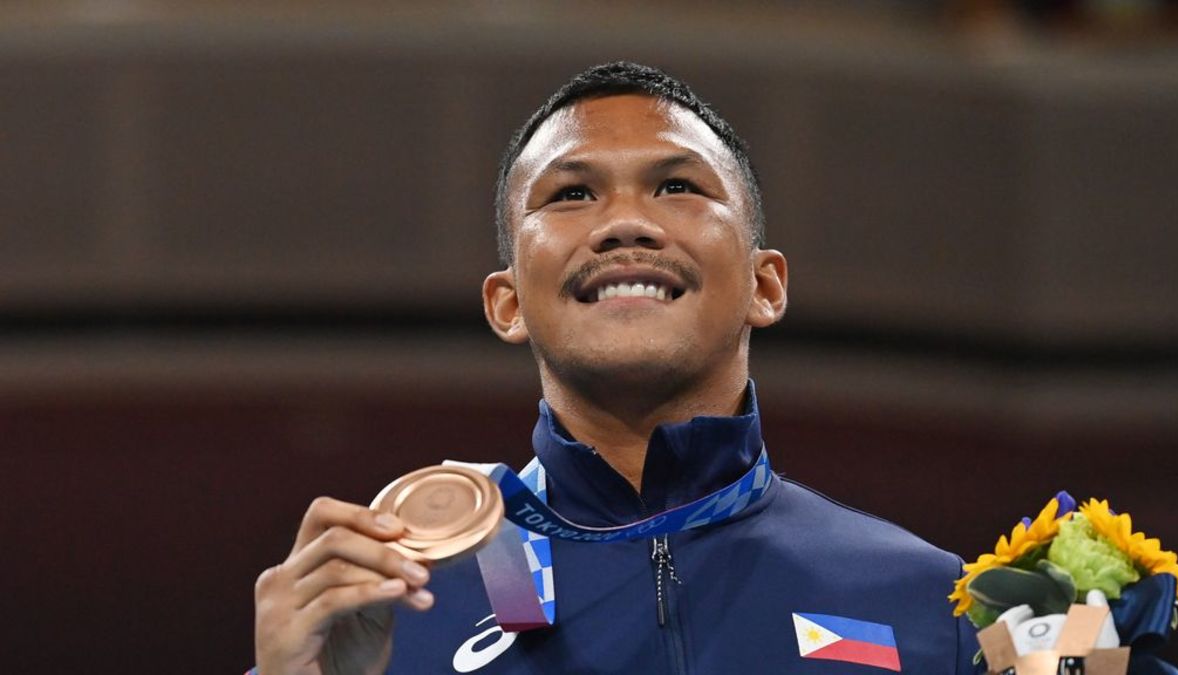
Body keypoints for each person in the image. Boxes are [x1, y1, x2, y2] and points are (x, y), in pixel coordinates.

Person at [253, 62, 979, 674]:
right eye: (571, 194)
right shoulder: (385, 612)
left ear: (766, 285)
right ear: (507, 304)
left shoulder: (938, 604)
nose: (624, 223)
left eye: (677, 187)